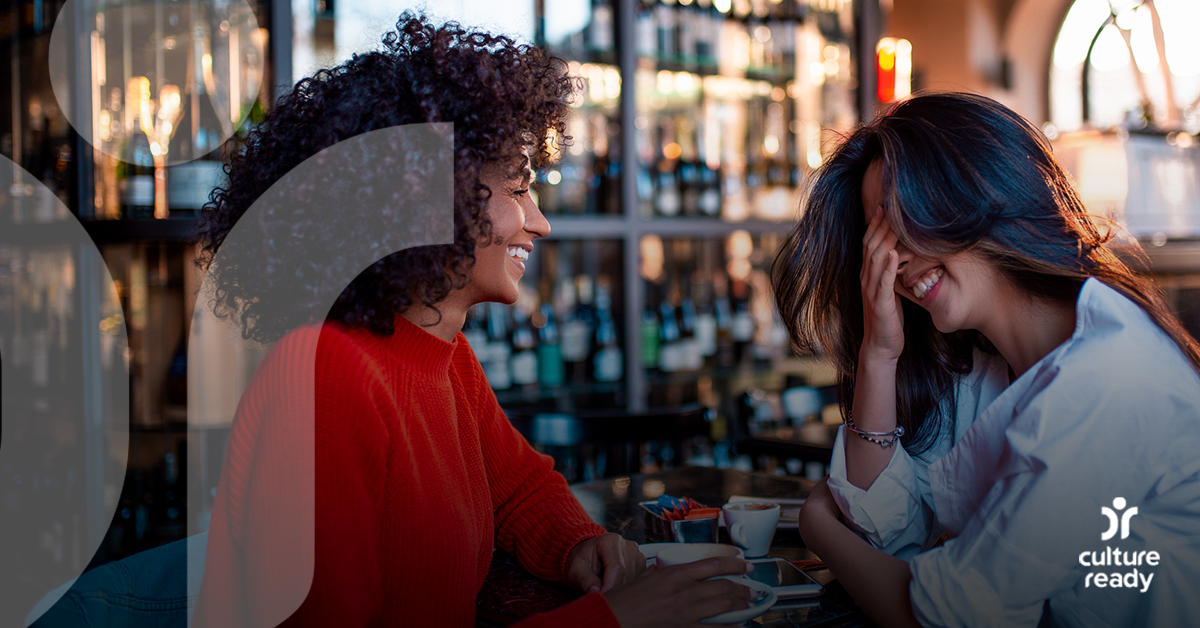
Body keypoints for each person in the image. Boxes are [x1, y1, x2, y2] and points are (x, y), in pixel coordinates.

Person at [192, 14, 754, 628]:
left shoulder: (443, 350)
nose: (541, 223)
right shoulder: (326, 375)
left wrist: (580, 546)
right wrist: (612, 619)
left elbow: (516, 490)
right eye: (518, 189)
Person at [772, 92, 1200, 627]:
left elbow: (939, 616)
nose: (892, 262)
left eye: (899, 223)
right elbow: (893, 532)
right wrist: (878, 355)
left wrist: (819, 530)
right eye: (875, 239)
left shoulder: (1104, 381)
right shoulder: (986, 365)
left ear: (974, 193)